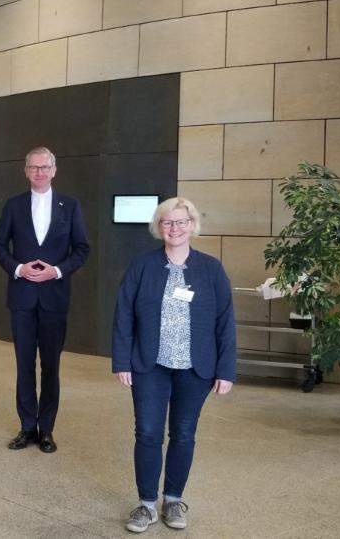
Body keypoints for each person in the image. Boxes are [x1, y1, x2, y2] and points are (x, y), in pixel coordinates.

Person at [111, 197, 236, 533]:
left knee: (183, 434)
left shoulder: (211, 269)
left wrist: (226, 370)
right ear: (158, 227)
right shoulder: (142, 266)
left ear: (192, 225)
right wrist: (122, 360)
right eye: (168, 222)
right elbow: (123, 314)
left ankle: (173, 500)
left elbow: (225, 321)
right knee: (148, 433)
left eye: (182, 222)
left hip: (196, 368)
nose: (175, 228)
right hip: (150, 365)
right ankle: (146, 504)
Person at [0, 146, 90, 453]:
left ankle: (46, 429)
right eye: (34, 167)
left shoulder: (70, 206)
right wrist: (19, 268)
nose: (39, 172)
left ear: (54, 170)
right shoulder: (13, 205)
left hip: (54, 297)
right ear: (25, 171)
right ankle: (26, 427)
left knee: (51, 366)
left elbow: (82, 249)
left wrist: (57, 271)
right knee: (24, 365)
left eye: (45, 167)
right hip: (21, 297)